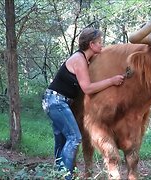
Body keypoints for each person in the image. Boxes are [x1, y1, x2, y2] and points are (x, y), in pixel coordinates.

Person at [42, 27, 124, 179]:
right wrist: (112, 81)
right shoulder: (79, 60)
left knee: (62, 140)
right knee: (74, 138)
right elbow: (87, 88)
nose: (102, 45)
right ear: (91, 44)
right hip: (56, 101)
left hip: (54, 100)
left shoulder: (85, 59)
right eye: (99, 42)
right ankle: (67, 176)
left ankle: (59, 174)